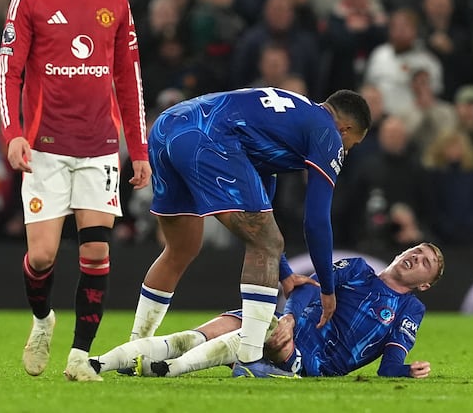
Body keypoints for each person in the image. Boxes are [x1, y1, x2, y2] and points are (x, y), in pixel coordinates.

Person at [0, 0, 151, 382]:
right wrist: (14, 133)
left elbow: (130, 81)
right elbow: (9, 72)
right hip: (44, 147)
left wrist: (138, 149)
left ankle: (80, 356)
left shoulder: (116, 1)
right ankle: (43, 320)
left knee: (96, 253)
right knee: (42, 256)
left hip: (100, 146)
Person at [126, 87, 372, 378]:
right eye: (352, 145)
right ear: (345, 129)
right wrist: (328, 289)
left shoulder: (291, 118)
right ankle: (250, 359)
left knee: (181, 248)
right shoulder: (328, 134)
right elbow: (316, 220)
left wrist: (285, 273)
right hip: (207, 135)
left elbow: (261, 202)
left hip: (169, 125)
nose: (346, 151)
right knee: (267, 241)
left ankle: (134, 350)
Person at [91, 243, 444, 379]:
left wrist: (407, 372)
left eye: (426, 262)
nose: (416, 257)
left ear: (425, 283)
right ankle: (106, 362)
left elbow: (390, 367)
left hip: (312, 360)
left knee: (262, 334)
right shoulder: (357, 269)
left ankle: (168, 370)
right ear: (399, 252)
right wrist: (291, 317)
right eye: (416, 250)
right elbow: (307, 289)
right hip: (285, 326)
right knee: (204, 333)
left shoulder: (409, 307)